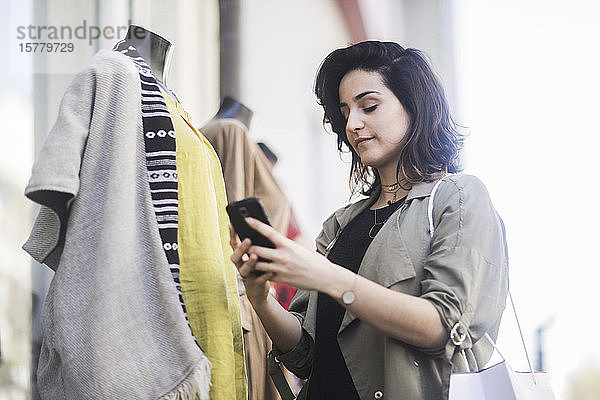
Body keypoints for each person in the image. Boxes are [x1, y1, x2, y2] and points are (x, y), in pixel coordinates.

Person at [229, 41, 509, 400]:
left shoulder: (458, 197)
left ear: (414, 106)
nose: (353, 124)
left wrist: (327, 276)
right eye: (345, 112)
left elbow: (444, 327)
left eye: (369, 106)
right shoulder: (340, 225)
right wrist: (261, 297)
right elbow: (305, 355)